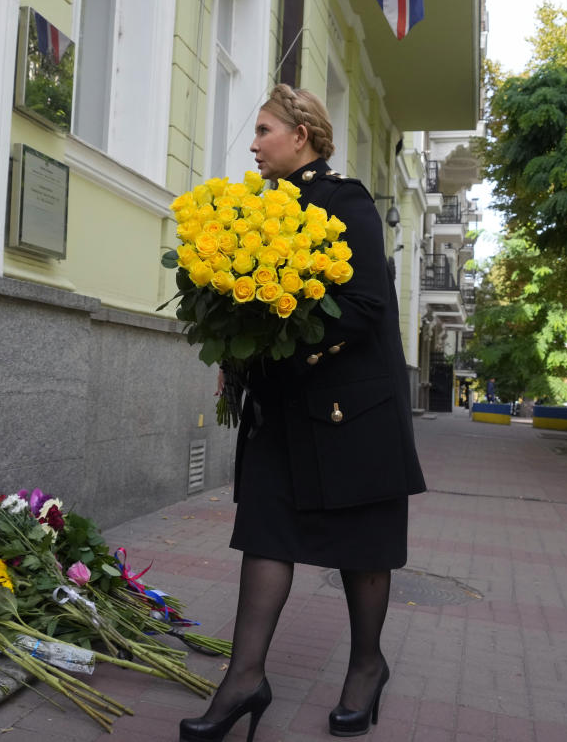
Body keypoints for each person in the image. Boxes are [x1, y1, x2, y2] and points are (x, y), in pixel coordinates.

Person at [178, 85, 426, 742]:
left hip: (352, 411)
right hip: (283, 408)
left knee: (362, 544)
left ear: (303, 133)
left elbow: (368, 303)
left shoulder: (345, 200)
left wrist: (287, 337)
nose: (253, 143)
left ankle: (367, 666)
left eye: (264, 130)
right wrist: (239, 353)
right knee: (266, 533)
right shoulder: (255, 210)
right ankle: (243, 678)